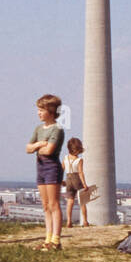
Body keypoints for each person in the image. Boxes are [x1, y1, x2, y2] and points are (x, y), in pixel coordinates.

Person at [26, 95, 65, 250]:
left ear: (51, 111)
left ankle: (56, 240)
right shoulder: (38, 129)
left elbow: (49, 151)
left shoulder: (57, 129)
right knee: (45, 205)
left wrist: (37, 146)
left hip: (51, 167)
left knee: (54, 204)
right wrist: (40, 144)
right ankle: (47, 239)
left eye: (41, 110)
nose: (38, 113)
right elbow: (28, 148)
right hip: (40, 166)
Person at [63, 138, 88, 227]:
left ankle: (69, 221)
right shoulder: (79, 160)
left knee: (70, 201)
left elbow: (62, 169)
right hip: (76, 179)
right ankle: (85, 221)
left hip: (68, 179)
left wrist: (61, 180)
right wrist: (84, 184)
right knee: (82, 201)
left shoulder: (65, 158)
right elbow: (80, 172)